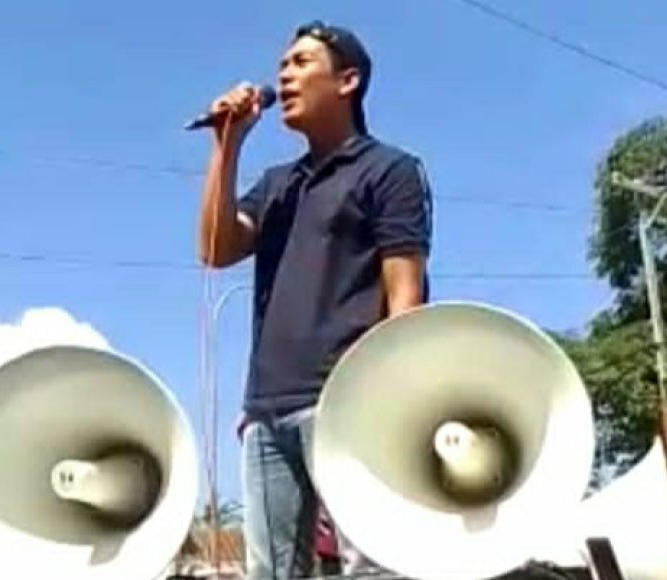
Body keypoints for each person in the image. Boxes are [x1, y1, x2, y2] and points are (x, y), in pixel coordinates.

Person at [196, 20, 434, 580]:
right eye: (282, 66)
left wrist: (392, 397)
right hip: (265, 413)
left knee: (373, 566)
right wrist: (227, 145)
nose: (285, 75)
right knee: (273, 572)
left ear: (348, 81)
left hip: (348, 401)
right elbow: (215, 247)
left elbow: (405, 295)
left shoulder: (389, 170)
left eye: (301, 63)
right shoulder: (278, 184)